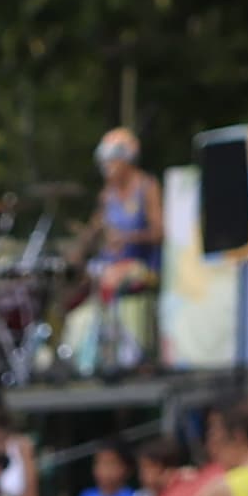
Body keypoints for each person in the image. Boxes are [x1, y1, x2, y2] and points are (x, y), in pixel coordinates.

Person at [89, 127, 165, 370]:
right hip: (111, 264)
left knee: (108, 277)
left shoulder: (147, 186)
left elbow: (159, 232)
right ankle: (94, 354)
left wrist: (127, 238)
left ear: (127, 159)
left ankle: (129, 354)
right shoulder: (107, 195)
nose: (106, 167)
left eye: (111, 161)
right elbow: (96, 230)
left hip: (143, 266)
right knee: (87, 275)